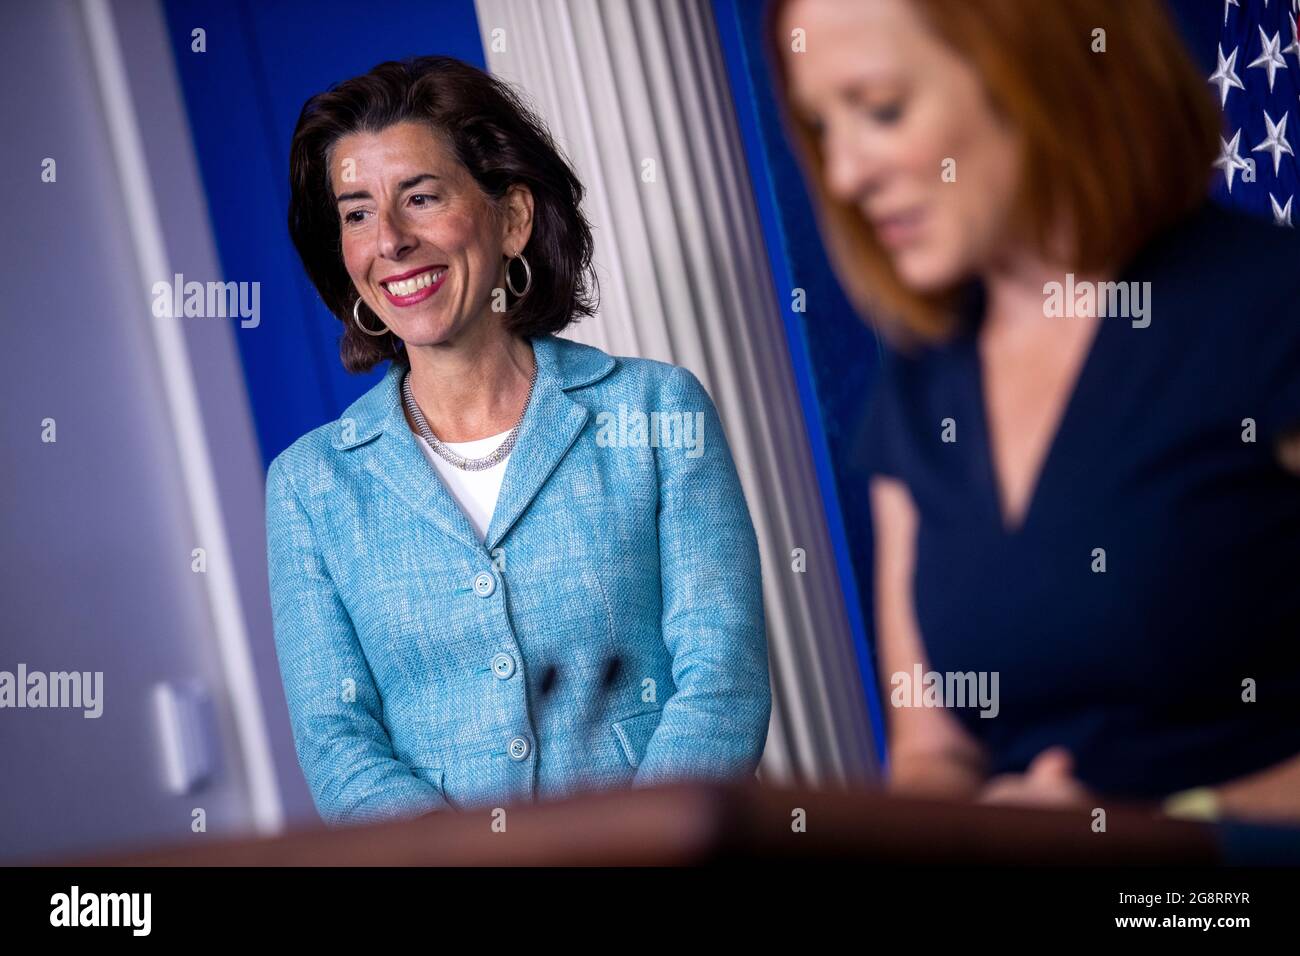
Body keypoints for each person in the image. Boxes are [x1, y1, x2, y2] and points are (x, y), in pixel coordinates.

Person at [773, 0, 1300, 821]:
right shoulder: (918, 390)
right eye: (821, 125)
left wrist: (1173, 827)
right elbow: (934, 752)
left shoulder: (1272, 310)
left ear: (1038, 69)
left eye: (881, 109)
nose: (844, 175)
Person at [267, 56, 770, 826]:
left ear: (512, 218)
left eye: (421, 198)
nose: (392, 241)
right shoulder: (308, 486)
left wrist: (635, 853)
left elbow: (723, 679)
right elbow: (339, 744)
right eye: (357, 212)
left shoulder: (657, 409)